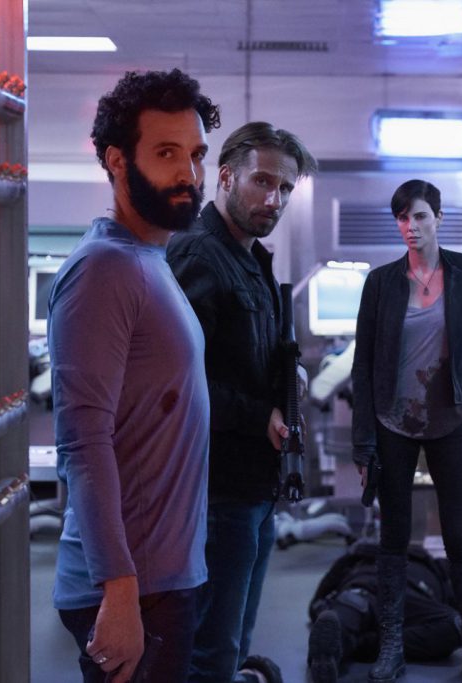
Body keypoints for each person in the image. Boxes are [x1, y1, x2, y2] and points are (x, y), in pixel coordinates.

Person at [49, 69, 219, 683]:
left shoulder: (149, 257)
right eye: (167, 153)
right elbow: (83, 443)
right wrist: (118, 590)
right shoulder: (103, 270)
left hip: (162, 577)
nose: (189, 174)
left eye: (196, 154)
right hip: (132, 589)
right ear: (117, 161)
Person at [166, 121, 317, 683]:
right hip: (216, 490)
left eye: (285, 188)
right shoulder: (199, 255)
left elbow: (244, 356)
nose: (274, 199)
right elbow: (177, 381)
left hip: (254, 486)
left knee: (232, 647)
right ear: (226, 177)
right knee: (212, 652)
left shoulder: (251, 258)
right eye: (262, 182)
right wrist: (260, 414)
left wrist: (289, 374)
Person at [351, 179, 462, 682]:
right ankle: (392, 644)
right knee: (394, 534)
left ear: (438, 217)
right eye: (402, 218)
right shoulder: (382, 282)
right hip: (393, 422)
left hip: (451, 419)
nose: (410, 227)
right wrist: (362, 442)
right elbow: (363, 363)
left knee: (459, 533)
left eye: (418, 216)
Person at [305, 541, 462, 683]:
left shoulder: (365, 550)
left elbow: (332, 578)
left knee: (352, 607)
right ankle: (347, 647)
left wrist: (319, 605)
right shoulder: (431, 564)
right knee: (454, 625)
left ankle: (345, 645)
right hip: (402, 595)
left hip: (378, 590)